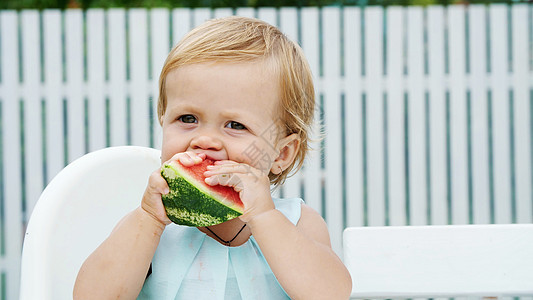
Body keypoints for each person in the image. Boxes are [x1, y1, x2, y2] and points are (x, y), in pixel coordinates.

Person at [74, 16, 352, 299]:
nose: (204, 140)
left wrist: (265, 217)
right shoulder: (148, 229)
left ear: (281, 153)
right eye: (188, 118)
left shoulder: (297, 222)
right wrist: (149, 220)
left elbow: (332, 293)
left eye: (235, 125)